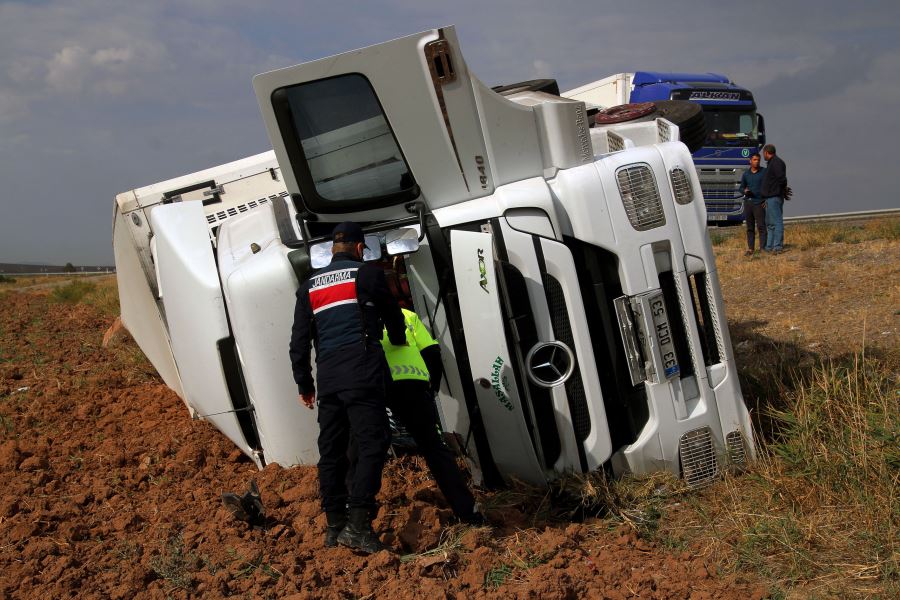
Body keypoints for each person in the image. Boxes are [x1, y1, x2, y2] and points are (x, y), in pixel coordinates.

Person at [290, 221, 406, 554]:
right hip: (361, 371)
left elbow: (298, 341)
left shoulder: (309, 285)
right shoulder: (367, 275)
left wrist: (304, 382)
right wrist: (397, 340)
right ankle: (358, 525)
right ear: (359, 248)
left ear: (331, 250)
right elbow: (393, 316)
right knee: (373, 441)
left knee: (332, 451)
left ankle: (334, 526)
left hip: (328, 378)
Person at [379, 308, 484, 524]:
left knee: (368, 451)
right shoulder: (407, 315)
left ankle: (359, 518)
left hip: (377, 385)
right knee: (435, 448)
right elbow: (431, 352)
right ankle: (469, 513)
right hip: (413, 386)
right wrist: (432, 387)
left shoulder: (352, 316)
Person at [760, 144, 788, 254]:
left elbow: (782, 179)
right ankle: (769, 247)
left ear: (767, 152)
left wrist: (783, 190)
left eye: (763, 153)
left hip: (774, 197)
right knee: (770, 224)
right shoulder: (772, 163)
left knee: (777, 222)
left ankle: (777, 247)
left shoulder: (776, 163)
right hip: (769, 198)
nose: (763, 156)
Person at [739, 152, 767, 255]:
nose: (757, 162)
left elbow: (769, 185)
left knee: (761, 226)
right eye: (755, 160)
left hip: (759, 203)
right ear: (750, 161)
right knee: (750, 227)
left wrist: (766, 199)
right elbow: (741, 187)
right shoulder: (746, 174)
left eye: (758, 160)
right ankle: (751, 248)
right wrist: (744, 191)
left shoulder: (764, 172)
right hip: (748, 203)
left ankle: (762, 248)